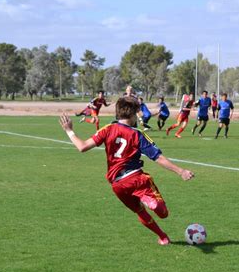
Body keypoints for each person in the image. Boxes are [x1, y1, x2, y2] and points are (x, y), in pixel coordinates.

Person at [59, 97, 194, 245]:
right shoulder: (137, 134)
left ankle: (163, 237)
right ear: (132, 114)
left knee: (139, 211)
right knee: (163, 213)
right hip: (136, 179)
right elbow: (158, 158)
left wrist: (69, 130)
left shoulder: (107, 129)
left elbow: (82, 146)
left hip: (118, 185)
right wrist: (181, 171)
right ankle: (150, 201)